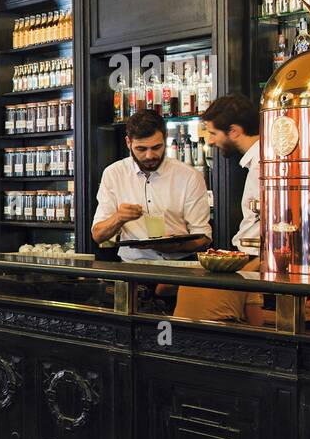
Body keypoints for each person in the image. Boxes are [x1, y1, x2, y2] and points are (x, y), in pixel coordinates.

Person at [174, 95, 263, 322]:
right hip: (247, 264)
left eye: (213, 133)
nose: (211, 141)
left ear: (233, 131)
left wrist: (251, 268)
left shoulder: (264, 164)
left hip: (253, 266)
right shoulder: (256, 163)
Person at [92, 109, 212, 261]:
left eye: (156, 147)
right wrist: (119, 217)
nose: (149, 156)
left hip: (179, 268)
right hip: (134, 268)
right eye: (141, 149)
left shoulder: (189, 176)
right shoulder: (114, 173)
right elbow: (98, 235)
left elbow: (204, 238)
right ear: (128, 142)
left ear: (165, 139)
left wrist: (175, 246)